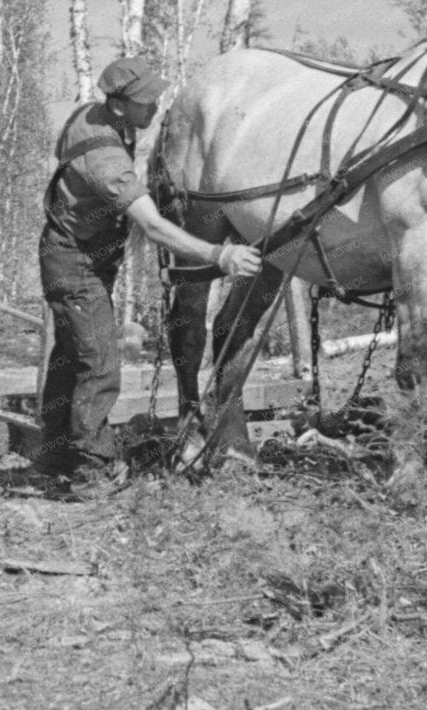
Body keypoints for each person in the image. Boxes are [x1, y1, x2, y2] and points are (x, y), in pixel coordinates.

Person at [36, 56, 263, 493]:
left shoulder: (92, 116)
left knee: (71, 354)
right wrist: (219, 255)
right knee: (99, 361)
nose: (155, 107)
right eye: (146, 102)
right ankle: (90, 469)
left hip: (79, 254)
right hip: (74, 261)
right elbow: (154, 228)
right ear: (119, 105)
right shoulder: (105, 159)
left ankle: (57, 453)